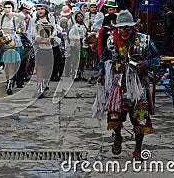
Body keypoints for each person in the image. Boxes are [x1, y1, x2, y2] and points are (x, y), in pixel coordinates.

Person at [96, 10, 160, 161]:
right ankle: (117, 137)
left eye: (127, 28)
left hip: (139, 85)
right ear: (117, 28)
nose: (124, 31)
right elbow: (103, 59)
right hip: (118, 83)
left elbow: (157, 57)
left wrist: (146, 63)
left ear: (134, 27)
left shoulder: (144, 41)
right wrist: (100, 72)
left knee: (140, 117)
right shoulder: (111, 41)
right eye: (121, 28)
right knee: (115, 114)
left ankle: (138, 149)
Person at [0, 0, 25, 95]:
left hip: (14, 42)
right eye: (5, 7)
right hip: (3, 43)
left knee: (12, 63)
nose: (7, 9)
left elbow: (23, 16)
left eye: (9, 7)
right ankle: (9, 80)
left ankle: (10, 81)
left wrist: (12, 13)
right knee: (7, 64)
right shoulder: (0, 18)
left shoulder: (15, 18)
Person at [29, 0, 55, 95]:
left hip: (48, 46)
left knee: (48, 66)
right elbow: (32, 31)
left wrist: (52, 37)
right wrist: (37, 37)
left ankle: (45, 81)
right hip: (38, 47)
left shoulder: (51, 19)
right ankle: (39, 85)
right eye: (38, 9)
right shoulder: (33, 20)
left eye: (42, 9)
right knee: (39, 66)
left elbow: (54, 29)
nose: (40, 11)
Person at [69, 10, 89, 81]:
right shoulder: (75, 26)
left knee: (83, 60)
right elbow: (70, 36)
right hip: (76, 45)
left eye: (81, 16)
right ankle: (75, 74)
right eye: (78, 17)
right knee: (77, 60)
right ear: (76, 18)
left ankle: (81, 73)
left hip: (84, 45)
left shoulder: (85, 26)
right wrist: (78, 38)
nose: (80, 18)